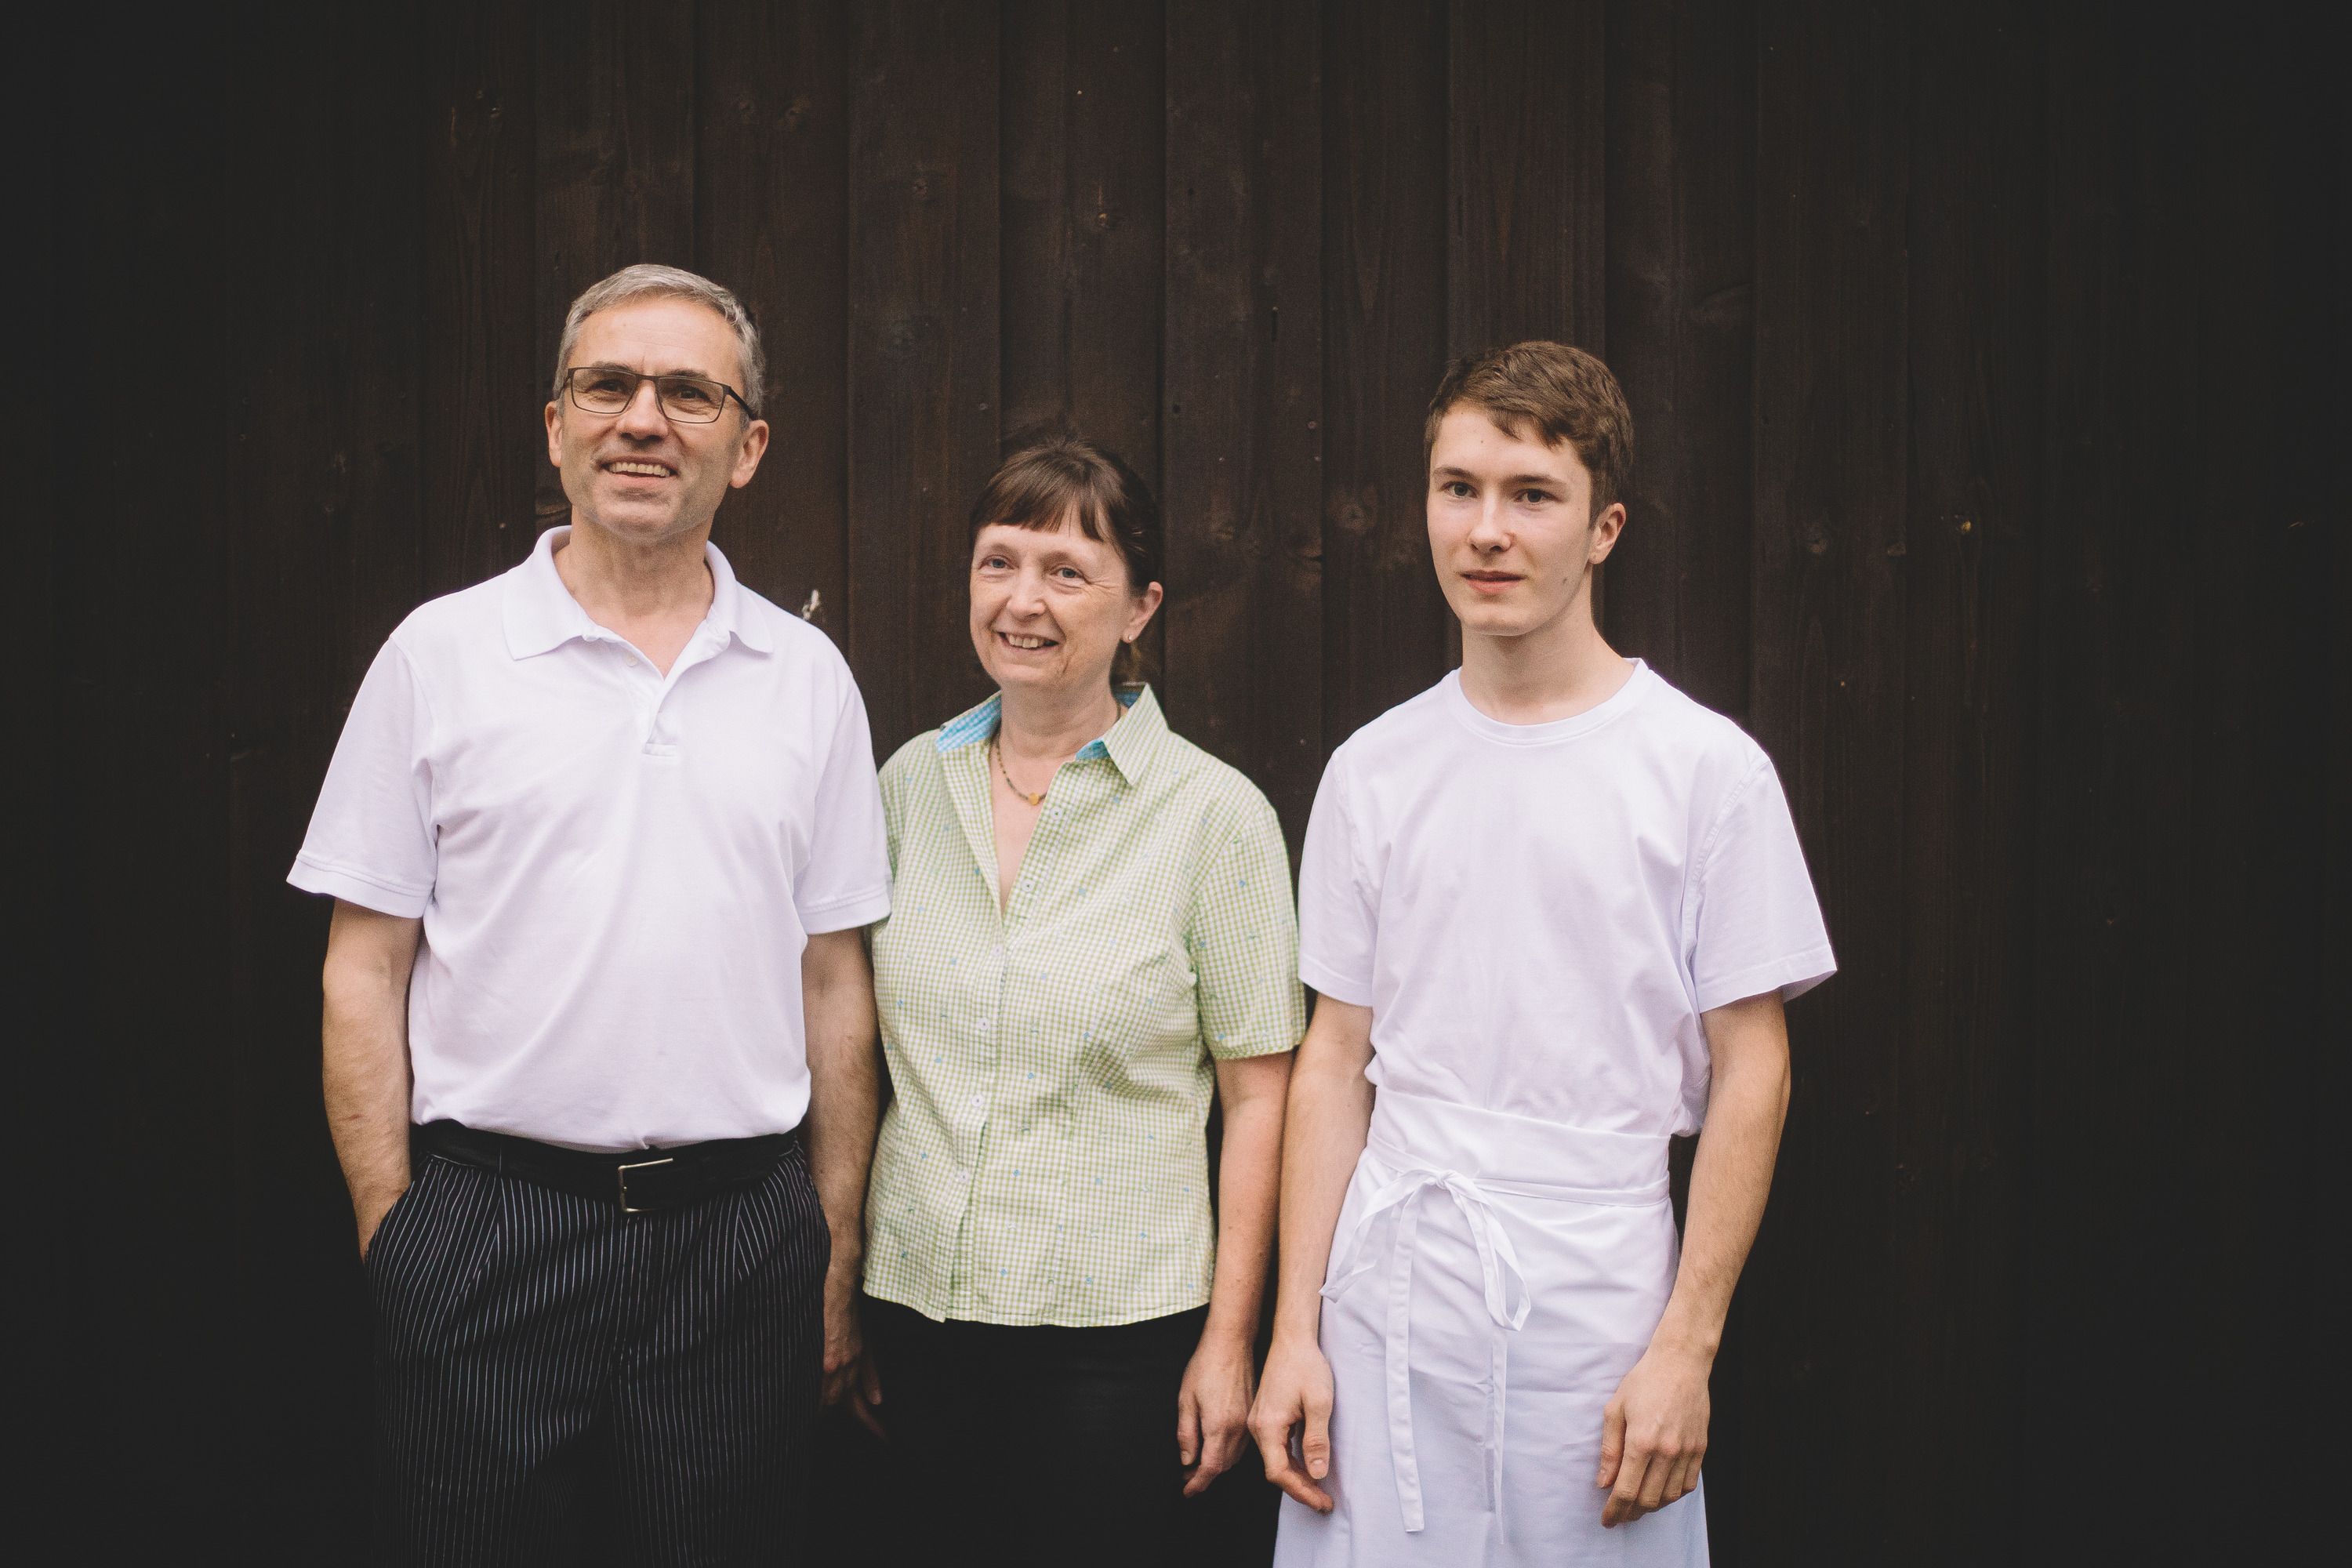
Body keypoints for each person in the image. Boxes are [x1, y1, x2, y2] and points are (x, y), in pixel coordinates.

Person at [289, 263, 891, 1563]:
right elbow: (364, 966)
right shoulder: (438, 657)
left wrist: (830, 1248)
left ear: (749, 446)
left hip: (739, 1243)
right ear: (553, 425)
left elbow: (834, 980)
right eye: (607, 385)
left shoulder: (807, 681)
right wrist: (397, 1233)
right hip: (490, 1223)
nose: (643, 419)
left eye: (689, 392)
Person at [1249, 343, 1836, 1565]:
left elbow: (1755, 1069)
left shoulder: (1705, 772)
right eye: (1458, 489)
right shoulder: (1375, 770)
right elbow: (1335, 1058)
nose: (1487, 532)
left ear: (1604, 526)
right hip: (1392, 1289)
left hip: (1600, 1300)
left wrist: (1686, 1348)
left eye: (1532, 495)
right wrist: (1295, 1332)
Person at [857, 432, 1305, 1565]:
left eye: (1068, 571)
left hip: (1120, 1343)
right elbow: (858, 1048)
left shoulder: (1216, 818)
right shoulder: (907, 786)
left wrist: (1230, 1341)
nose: (1024, 601)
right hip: (917, 1317)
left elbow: (1262, 1098)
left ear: (1141, 607)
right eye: (999, 562)